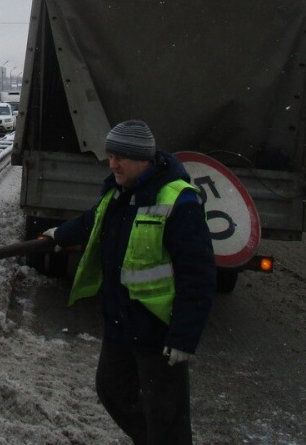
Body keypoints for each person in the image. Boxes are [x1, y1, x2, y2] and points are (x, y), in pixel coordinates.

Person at [46, 119, 216, 444]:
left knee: (167, 418)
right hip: (120, 324)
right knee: (111, 391)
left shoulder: (179, 201)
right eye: (110, 156)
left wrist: (183, 337)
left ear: (143, 158)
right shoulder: (117, 193)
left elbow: (199, 274)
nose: (112, 164)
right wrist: (59, 234)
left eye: (120, 157)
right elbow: (90, 221)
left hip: (157, 332)